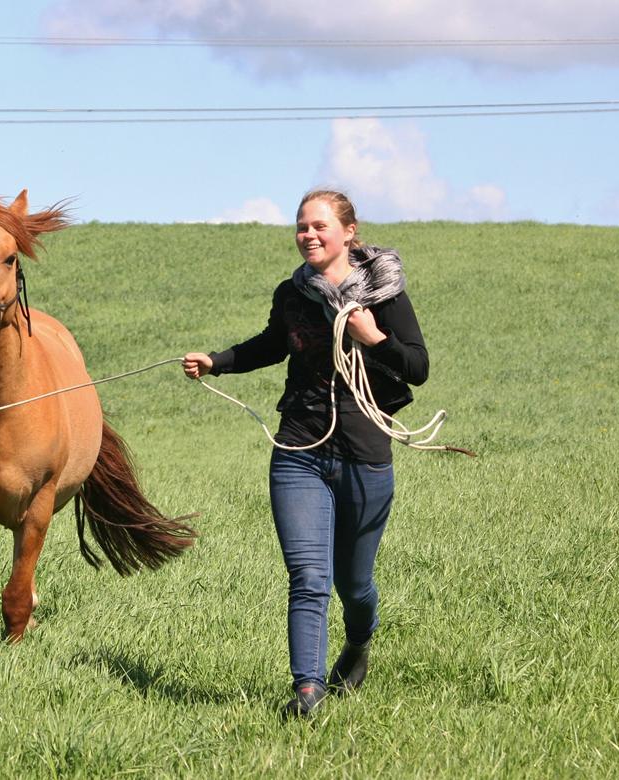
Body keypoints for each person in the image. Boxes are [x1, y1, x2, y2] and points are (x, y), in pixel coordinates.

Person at [183, 190, 429, 719]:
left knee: (353, 583)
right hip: (299, 449)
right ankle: (308, 691)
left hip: (365, 454)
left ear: (348, 231)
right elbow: (273, 343)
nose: (309, 235)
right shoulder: (292, 294)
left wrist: (373, 337)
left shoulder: (384, 295)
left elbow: (417, 366)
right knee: (308, 576)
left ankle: (359, 642)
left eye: (320, 226)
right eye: (302, 227)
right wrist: (217, 361)